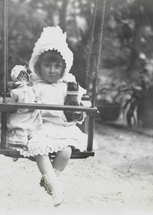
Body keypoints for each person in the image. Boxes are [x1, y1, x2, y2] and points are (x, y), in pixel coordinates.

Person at [13, 26, 97, 207]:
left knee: (66, 151)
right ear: (38, 67)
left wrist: (78, 111)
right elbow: (24, 102)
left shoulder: (69, 85)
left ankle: (50, 181)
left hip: (64, 128)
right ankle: (56, 188)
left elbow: (78, 109)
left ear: (63, 68)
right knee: (38, 148)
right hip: (43, 127)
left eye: (57, 66)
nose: (52, 70)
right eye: (47, 65)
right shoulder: (35, 87)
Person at [6, 65, 42, 150]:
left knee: (27, 124)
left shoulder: (31, 89)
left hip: (29, 113)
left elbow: (38, 99)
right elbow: (13, 105)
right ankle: (21, 142)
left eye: (24, 76)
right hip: (23, 113)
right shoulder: (16, 92)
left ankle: (25, 141)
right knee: (20, 124)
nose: (22, 78)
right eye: (20, 76)